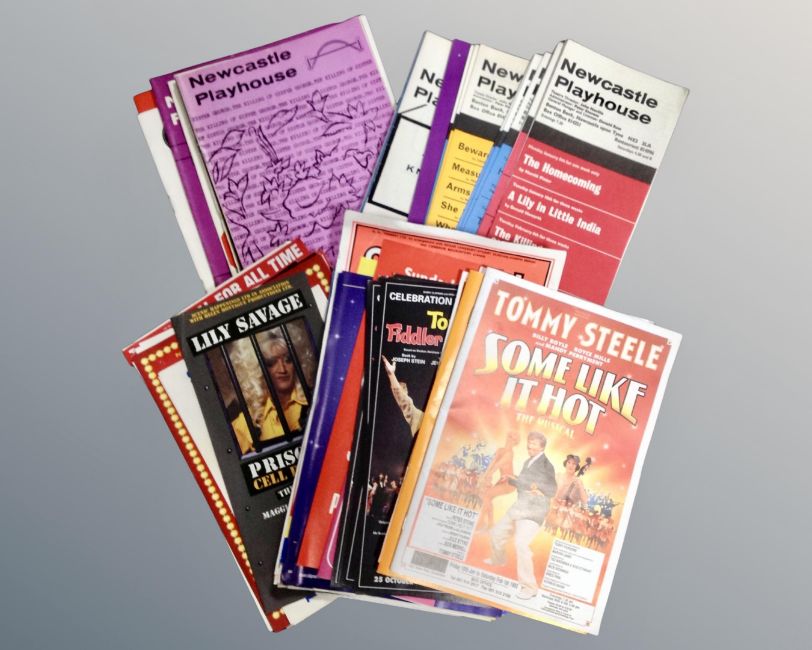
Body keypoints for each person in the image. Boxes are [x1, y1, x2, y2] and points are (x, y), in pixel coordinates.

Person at [485, 431, 557, 599]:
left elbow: (552, 489)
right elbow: (525, 483)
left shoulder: (547, 465)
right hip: (520, 507)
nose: (529, 445)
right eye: (529, 442)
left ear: (542, 447)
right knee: (496, 533)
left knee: (521, 543)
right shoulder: (528, 461)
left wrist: (540, 490)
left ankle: (530, 587)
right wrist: (510, 478)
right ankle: (498, 559)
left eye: (534, 443)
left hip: (534, 511)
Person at [231, 337, 308, 454]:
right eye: (271, 363)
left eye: (288, 359)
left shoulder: (315, 402)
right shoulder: (249, 421)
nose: (282, 369)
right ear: (258, 369)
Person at [477, 430, 520, 531]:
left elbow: (497, 466)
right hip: (502, 481)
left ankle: (481, 522)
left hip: (510, 482)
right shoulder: (500, 450)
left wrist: (487, 477)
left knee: (486, 495)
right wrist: (485, 476)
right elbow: (492, 464)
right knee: (487, 498)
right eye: (509, 436)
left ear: (515, 442)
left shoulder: (509, 453)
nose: (510, 439)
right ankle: (490, 524)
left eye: (513, 438)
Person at [382, 356, 423, 435]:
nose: (403, 391)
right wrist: (391, 374)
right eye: (402, 388)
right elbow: (400, 396)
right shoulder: (415, 415)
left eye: (404, 388)